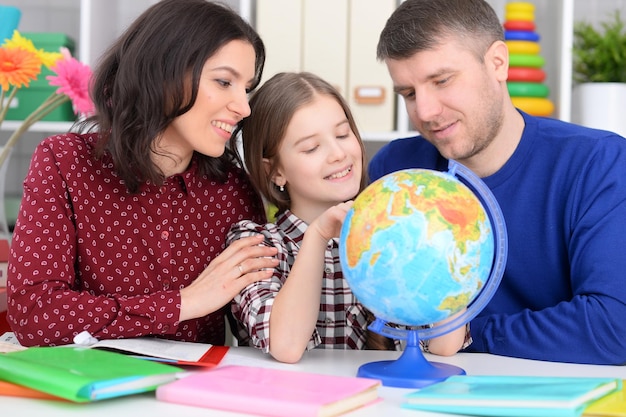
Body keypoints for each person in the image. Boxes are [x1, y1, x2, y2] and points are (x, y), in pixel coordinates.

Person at [6, 0, 279, 347]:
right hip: (87, 392)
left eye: (246, 88)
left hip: (188, 395)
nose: (244, 107)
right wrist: (184, 303)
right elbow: (36, 315)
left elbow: (258, 328)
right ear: (162, 71)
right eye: (224, 81)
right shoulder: (65, 163)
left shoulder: (233, 190)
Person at [371, 0, 626, 365]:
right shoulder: (397, 171)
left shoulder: (598, 164)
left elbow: (613, 328)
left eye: (441, 81)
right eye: (409, 94)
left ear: (498, 63)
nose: (425, 112)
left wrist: (468, 332)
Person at [226, 72, 468, 363]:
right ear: (274, 171)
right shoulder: (254, 245)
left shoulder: (392, 234)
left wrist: (440, 235)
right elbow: (286, 346)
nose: (338, 153)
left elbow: (444, 345)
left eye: (343, 134)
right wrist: (317, 236)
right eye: (311, 148)